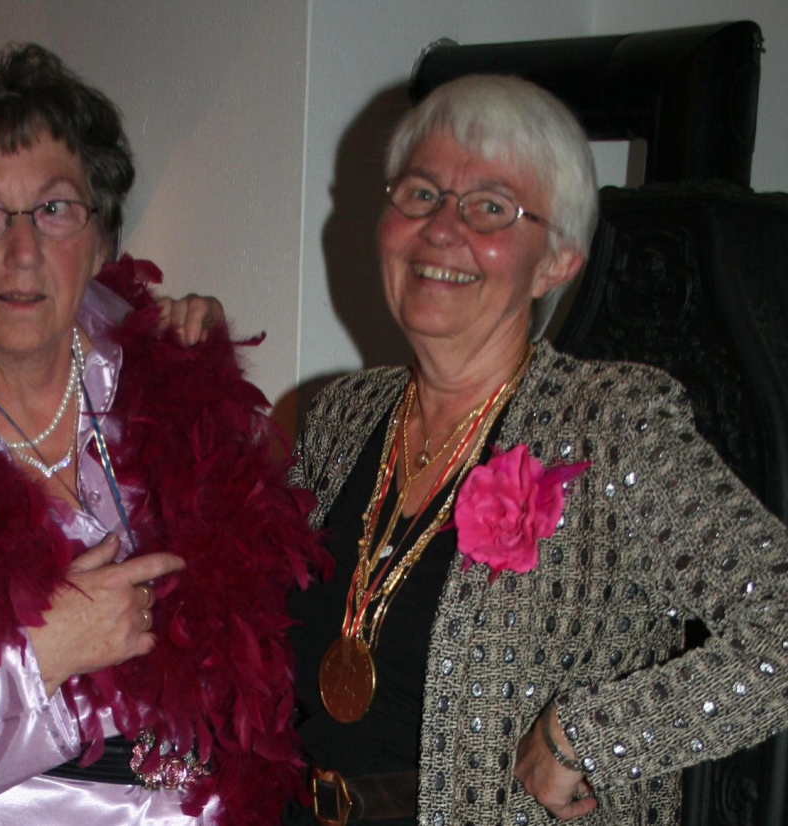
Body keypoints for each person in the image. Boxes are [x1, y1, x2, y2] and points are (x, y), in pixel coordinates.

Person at [0, 44, 324, 826]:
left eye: (55, 209)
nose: (23, 251)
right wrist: (37, 658)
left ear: (100, 238)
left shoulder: (181, 392)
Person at [283, 74, 788, 825]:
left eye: (491, 207)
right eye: (420, 194)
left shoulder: (611, 423)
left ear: (558, 261)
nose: (441, 228)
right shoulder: (342, 415)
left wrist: (593, 735)